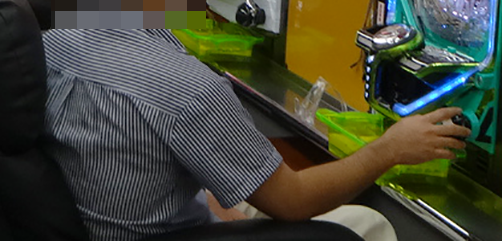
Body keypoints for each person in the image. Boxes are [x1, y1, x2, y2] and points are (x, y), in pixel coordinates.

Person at [42, 29, 470, 241]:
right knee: (367, 224)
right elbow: (293, 200)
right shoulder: (185, 88)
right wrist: (389, 149)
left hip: (96, 221)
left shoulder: (51, 44)